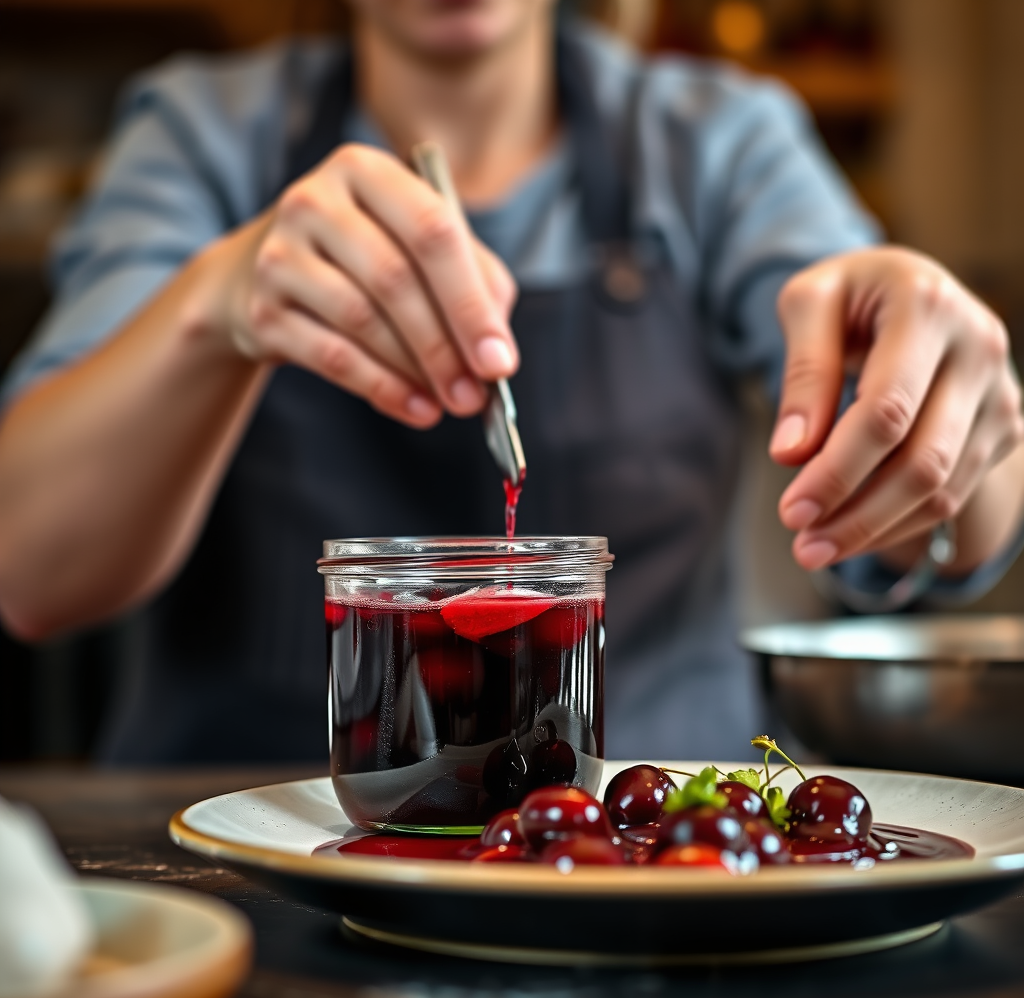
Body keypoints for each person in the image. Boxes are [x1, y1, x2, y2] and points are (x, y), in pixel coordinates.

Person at [0, 0, 1021, 762]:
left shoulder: (718, 143)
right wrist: (216, 307)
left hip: (657, 868)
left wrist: (942, 425)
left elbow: (946, 529)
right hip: (248, 876)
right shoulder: (200, 133)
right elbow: (29, 567)